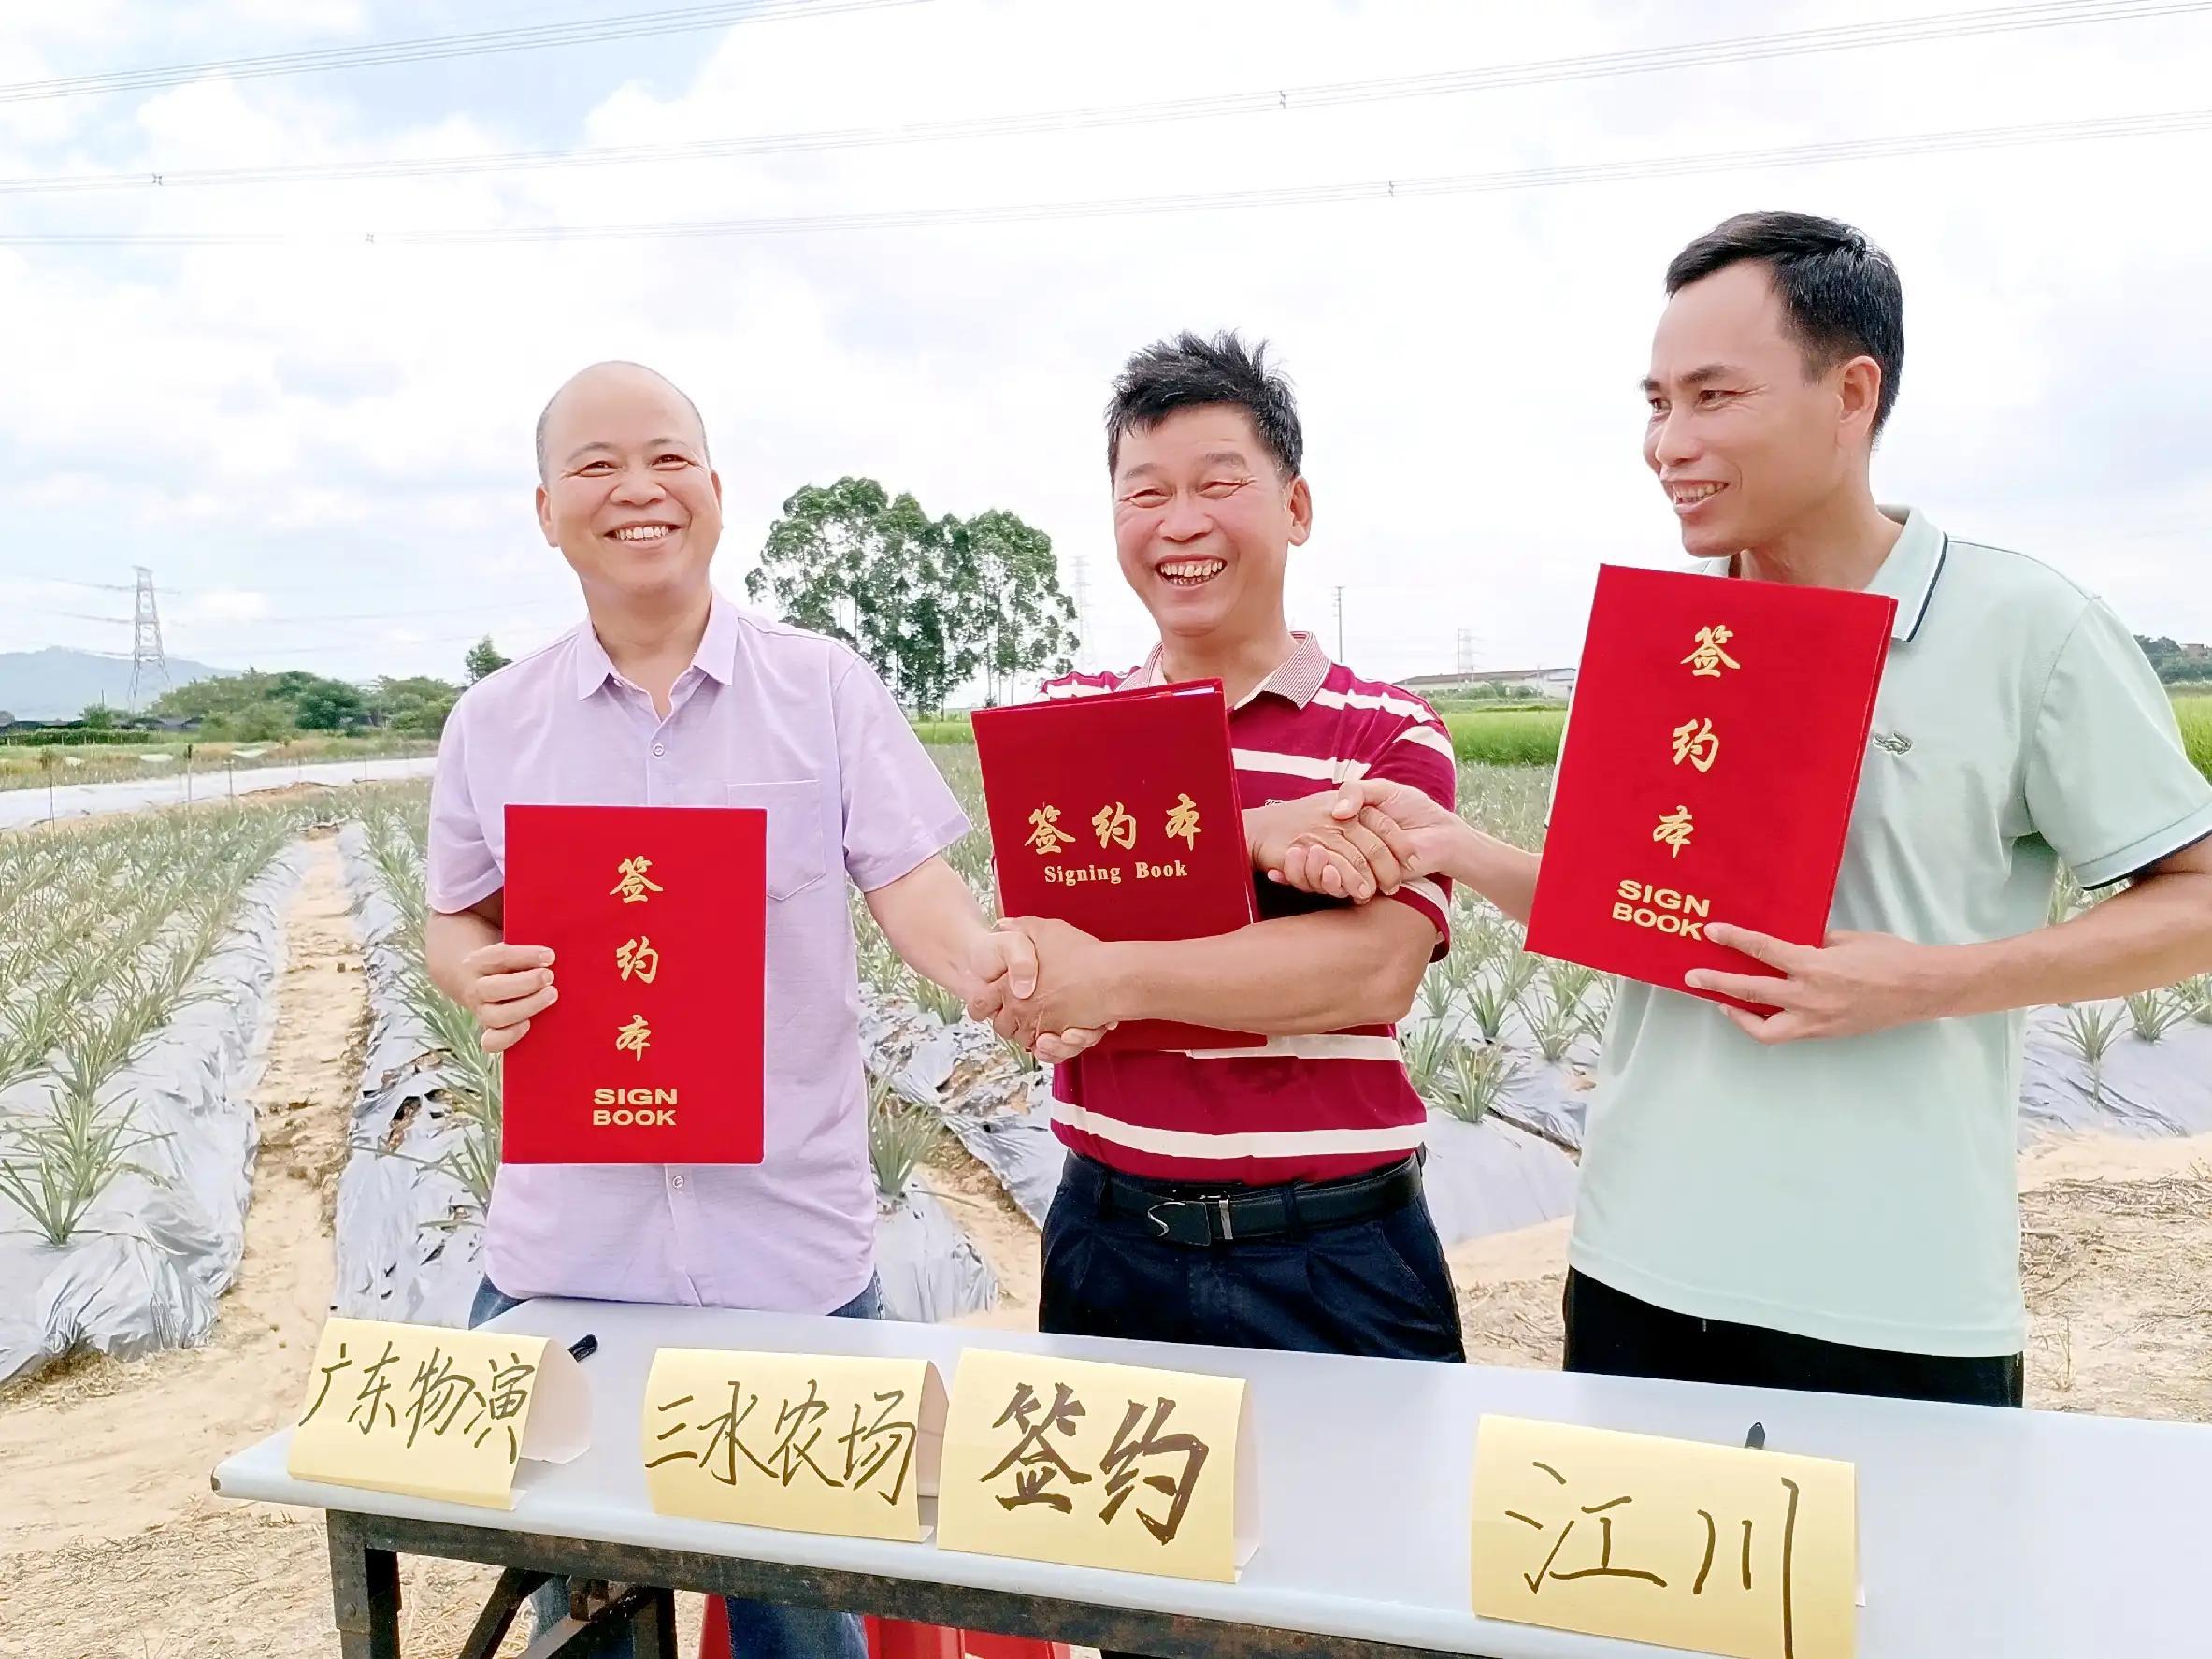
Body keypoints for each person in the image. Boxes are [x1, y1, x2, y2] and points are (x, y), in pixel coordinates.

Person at [1283, 212, 2212, 1407]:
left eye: (1711, 397)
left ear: (1851, 393)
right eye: (1656, 402)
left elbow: (2193, 898)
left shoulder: (2024, 627)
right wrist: (1453, 846)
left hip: (1893, 1296)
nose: (1668, 442)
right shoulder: (1670, 647)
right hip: (1636, 1272)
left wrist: (1926, 980)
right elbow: (1631, 910)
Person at [424, 360, 1099, 1655]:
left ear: (717, 491)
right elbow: (454, 914)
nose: (638, 488)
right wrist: (468, 966)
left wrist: (996, 970)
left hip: (788, 1261)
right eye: (598, 464)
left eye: (669, 456)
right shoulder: (493, 722)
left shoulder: (821, 689)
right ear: (545, 506)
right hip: (571, 1263)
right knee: (591, 1621)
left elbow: (916, 893)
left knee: (803, 1625)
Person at [973, 330, 1468, 1371]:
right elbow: (1034, 963)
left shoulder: (1385, 731)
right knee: (1102, 1537)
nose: (1180, 523)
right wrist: (1259, 842)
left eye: (1218, 483)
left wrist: (1110, 969)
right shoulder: (1069, 724)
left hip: (1338, 1254)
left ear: (1294, 507)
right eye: (1144, 493)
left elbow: (1366, 969)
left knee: (1366, 1530)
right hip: (1107, 1245)